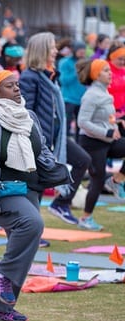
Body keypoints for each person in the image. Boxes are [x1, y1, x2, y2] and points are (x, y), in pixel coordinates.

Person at [0, 70, 71, 321]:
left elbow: (40, 149)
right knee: (32, 224)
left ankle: (3, 308)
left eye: (17, 84)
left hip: (27, 188)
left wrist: (56, 170)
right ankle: (3, 273)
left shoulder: (27, 116)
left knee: (26, 241)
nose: (17, 89)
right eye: (10, 86)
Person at [20, 32, 91, 226]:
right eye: (52, 47)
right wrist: (38, 142)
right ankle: (30, 230)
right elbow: (26, 113)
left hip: (55, 138)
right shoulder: (30, 77)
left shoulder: (51, 75)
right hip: (39, 141)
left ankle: (60, 204)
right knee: (37, 187)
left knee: (82, 160)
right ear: (42, 50)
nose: (56, 51)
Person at [76, 59, 125, 229]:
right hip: (92, 143)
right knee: (96, 182)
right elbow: (83, 122)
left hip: (107, 141)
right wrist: (108, 132)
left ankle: (117, 180)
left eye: (109, 70)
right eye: (105, 71)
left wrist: (117, 123)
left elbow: (104, 118)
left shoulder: (104, 92)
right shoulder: (91, 95)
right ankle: (85, 219)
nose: (110, 73)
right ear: (96, 75)